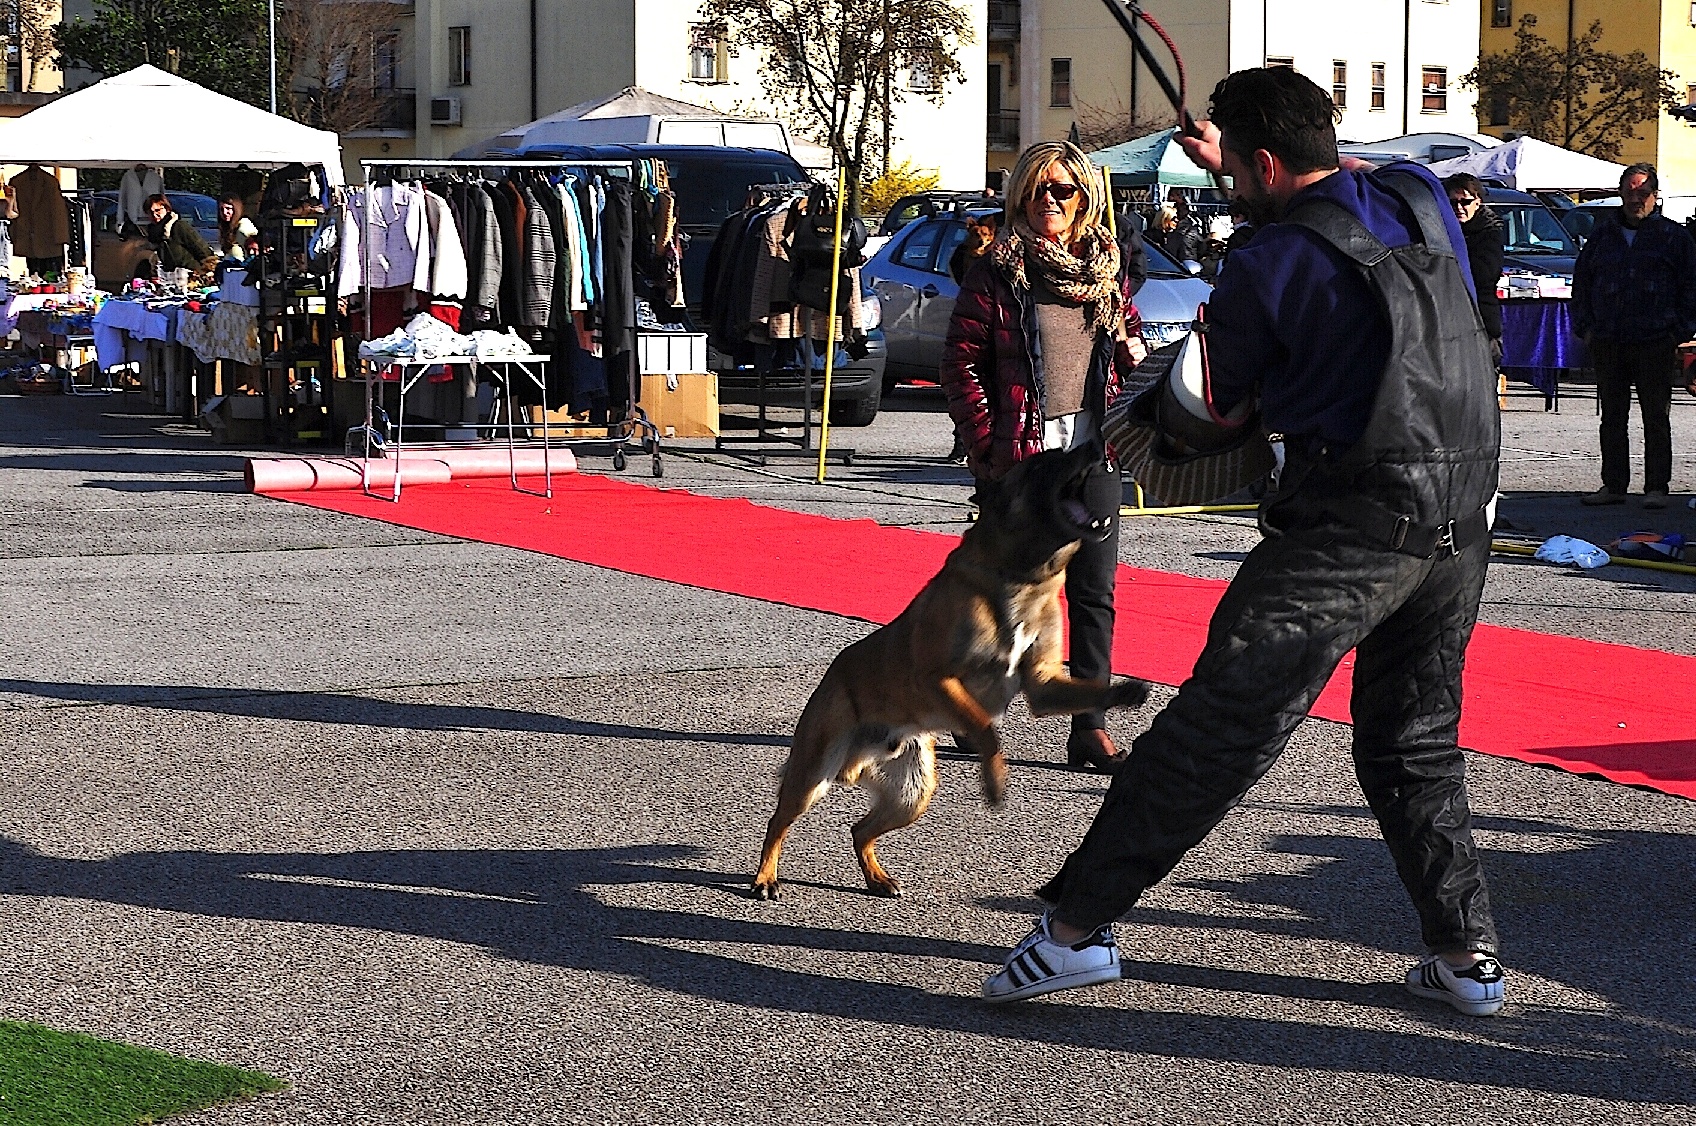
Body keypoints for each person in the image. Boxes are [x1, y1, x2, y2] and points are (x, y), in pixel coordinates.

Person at [980, 67, 1507, 1019]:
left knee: (1215, 731)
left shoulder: (1267, 262)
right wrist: (1255, 161)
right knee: (1416, 741)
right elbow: (1338, 173)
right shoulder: (1421, 196)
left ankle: (1073, 933)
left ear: (1261, 162)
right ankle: (1466, 957)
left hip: (1349, 527)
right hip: (1463, 521)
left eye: (1234, 172)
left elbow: (1196, 412)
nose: (1225, 188)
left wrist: (1167, 425)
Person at [940, 139, 1148, 772]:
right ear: (1020, 197)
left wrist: (1131, 348)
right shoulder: (997, 271)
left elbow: (1128, 340)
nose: (1050, 202)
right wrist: (986, 446)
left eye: (1064, 191)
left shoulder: (1105, 271)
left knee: (1094, 590)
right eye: (1038, 191)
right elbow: (961, 362)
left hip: (1091, 452)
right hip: (1023, 458)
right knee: (1002, 591)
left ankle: (1087, 724)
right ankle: (969, 711)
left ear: (1085, 199)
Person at [1570, 163, 1696, 509]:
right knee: (1612, 416)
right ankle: (1613, 486)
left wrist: (1679, 331)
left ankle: (1656, 487)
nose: (1635, 198)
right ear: (1621, 193)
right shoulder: (1602, 235)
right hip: (1609, 340)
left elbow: (1691, 287)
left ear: (1654, 196)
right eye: (1629, 190)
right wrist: (1587, 328)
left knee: (1655, 416)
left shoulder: (1674, 237)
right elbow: (1581, 283)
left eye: (1642, 192)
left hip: (1655, 340)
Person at [1443, 173, 1504, 366]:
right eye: (1453, 203)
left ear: (1477, 201)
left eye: (1465, 201)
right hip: (1448, 318)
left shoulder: (1490, 231)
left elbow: (1484, 274)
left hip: (1481, 318)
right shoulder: (1441, 230)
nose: (1459, 208)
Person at [145, 193, 215, 276]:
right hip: (170, 280)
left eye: (158, 210)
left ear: (167, 209)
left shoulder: (179, 226)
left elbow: (203, 251)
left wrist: (206, 273)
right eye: (150, 212)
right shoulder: (153, 234)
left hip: (192, 277)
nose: (154, 215)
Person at [217, 194, 258, 261]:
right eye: (221, 209)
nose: (225, 212)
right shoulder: (226, 228)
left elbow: (254, 248)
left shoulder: (244, 225)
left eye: (228, 208)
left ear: (236, 209)